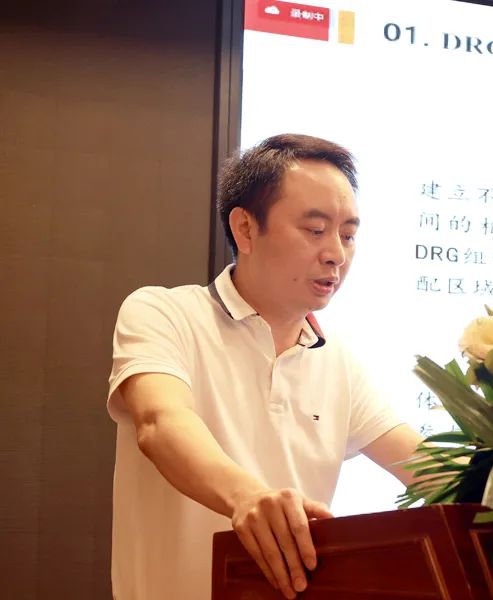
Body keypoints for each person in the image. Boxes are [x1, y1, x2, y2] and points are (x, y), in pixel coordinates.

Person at [107, 133, 424, 600]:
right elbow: (160, 423)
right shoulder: (164, 313)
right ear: (245, 229)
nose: (336, 254)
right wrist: (247, 498)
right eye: (315, 230)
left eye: (348, 235)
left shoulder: (337, 362)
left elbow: (426, 464)